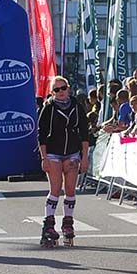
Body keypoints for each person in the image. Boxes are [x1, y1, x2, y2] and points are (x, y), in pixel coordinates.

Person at [37, 76, 90, 248]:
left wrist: (85, 157)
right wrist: (44, 157)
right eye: (57, 90)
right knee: (55, 188)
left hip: (72, 152)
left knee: (70, 189)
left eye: (63, 88)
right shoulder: (48, 108)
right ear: (52, 92)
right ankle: (49, 224)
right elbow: (41, 135)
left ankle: (68, 223)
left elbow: (84, 133)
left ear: (68, 89)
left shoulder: (76, 106)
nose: (61, 92)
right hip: (53, 153)